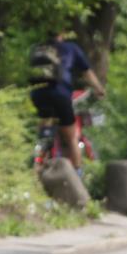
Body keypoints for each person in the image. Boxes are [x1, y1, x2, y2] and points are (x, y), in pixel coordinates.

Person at [28, 32, 105, 173]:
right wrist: (99, 89)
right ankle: (77, 175)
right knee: (71, 137)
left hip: (37, 93)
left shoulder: (39, 48)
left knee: (45, 124)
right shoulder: (71, 48)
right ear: (62, 34)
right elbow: (86, 72)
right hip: (60, 94)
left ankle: (39, 152)